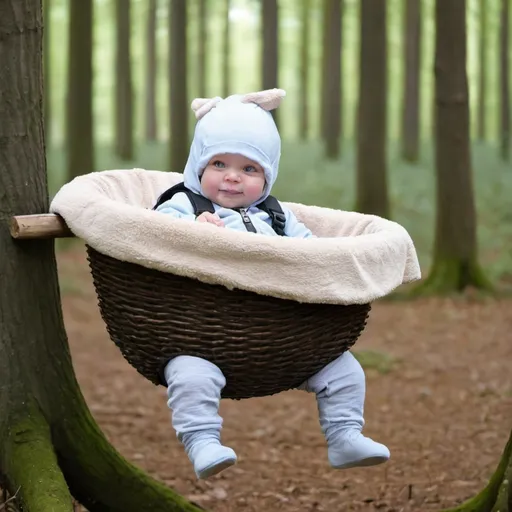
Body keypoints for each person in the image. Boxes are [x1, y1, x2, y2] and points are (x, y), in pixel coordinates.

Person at [156, 89, 390, 480]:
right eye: (219, 163)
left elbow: (312, 252)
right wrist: (191, 230)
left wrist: (325, 260)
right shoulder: (186, 204)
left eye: (249, 169)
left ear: (267, 177)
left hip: (281, 339)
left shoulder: (276, 215)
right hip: (204, 336)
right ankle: (202, 442)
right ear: (198, 167)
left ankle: (345, 435)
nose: (232, 176)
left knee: (343, 368)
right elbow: (153, 232)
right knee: (189, 376)